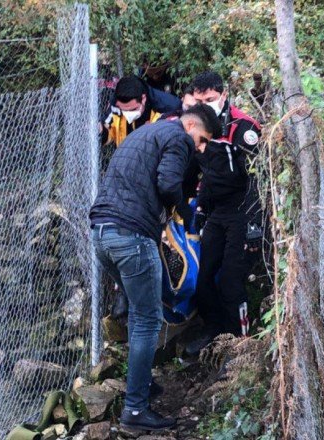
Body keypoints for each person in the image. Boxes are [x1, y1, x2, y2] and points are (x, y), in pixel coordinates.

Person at [90, 104, 222, 431]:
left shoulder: (144, 134)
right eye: (202, 140)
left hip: (102, 234)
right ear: (191, 126)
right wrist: (183, 213)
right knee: (148, 320)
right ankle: (135, 410)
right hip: (132, 237)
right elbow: (167, 183)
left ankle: (141, 383)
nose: (200, 148)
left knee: (140, 312)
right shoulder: (178, 138)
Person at [185, 71, 263, 356]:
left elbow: (257, 178)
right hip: (216, 211)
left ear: (223, 96)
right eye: (199, 101)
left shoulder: (243, 127)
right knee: (202, 276)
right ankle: (214, 331)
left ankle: (240, 345)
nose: (205, 105)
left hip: (243, 210)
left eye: (210, 99)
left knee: (231, 280)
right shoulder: (197, 126)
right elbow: (205, 173)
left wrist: (254, 223)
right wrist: (200, 210)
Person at [101, 75, 181, 146]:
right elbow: (109, 130)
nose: (128, 114)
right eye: (124, 110)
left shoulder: (168, 108)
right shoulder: (116, 102)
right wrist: (101, 131)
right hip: (125, 153)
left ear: (143, 99)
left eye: (133, 109)